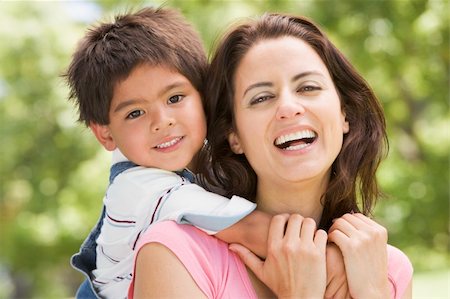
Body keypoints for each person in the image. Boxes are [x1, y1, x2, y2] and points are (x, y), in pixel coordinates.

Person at [130, 13, 413, 298]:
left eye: (308, 87)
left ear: (344, 114)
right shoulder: (175, 253)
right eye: (261, 98)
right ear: (234, 136)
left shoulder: (386, 269)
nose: (289, 107)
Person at [64, 7, 274, 299]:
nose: (162, 121)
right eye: (135, 113)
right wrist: (338, 257)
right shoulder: (138, 189)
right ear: (106, 133)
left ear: (204, 95)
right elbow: (257, 233)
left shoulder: (209, 154)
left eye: (175, 98)